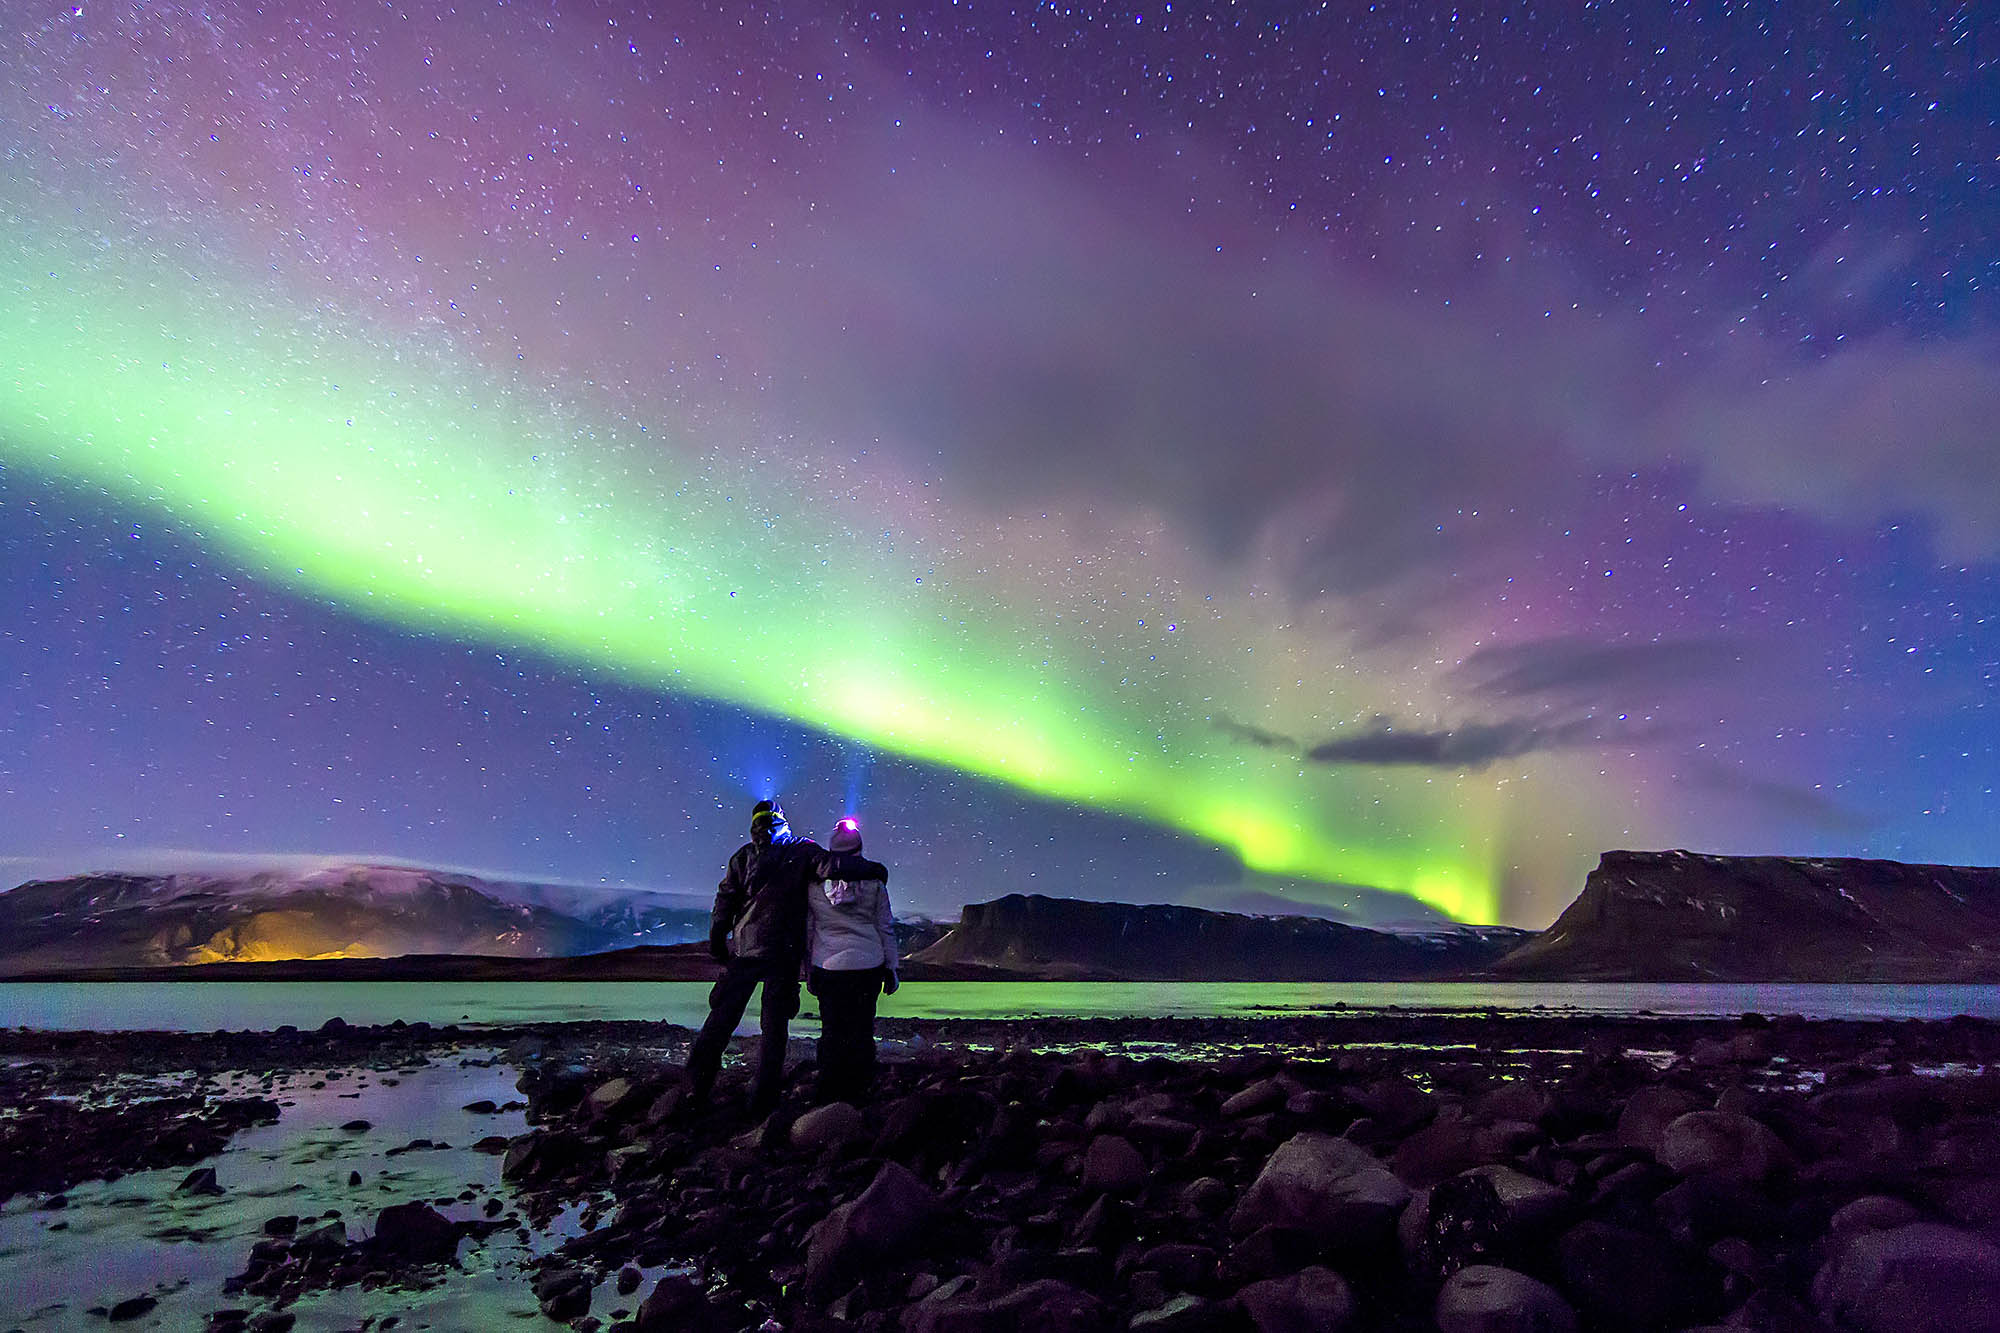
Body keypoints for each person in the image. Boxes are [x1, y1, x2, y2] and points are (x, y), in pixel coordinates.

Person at [685, 800, 819, 1116]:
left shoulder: (744, 855)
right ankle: (763, 1098)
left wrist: (718, 934)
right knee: (774, 1027)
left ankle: (695, 1088)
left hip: (746, 948)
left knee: (720, 1019)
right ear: (782, 819)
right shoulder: (802, 850)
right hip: (784, 951)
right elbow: (832, 868)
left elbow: (726, 896)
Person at [805, 816, 898, 1103]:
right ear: (859, 848)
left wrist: (807, 969)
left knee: (832, 1028)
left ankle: (829, 1089)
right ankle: (860, 1089)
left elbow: (809, 929)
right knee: (861, 1028)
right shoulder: (875, 884)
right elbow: (885, 927)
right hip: (868, 966)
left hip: (828, 966)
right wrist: (892, 968)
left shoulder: (813, 886)